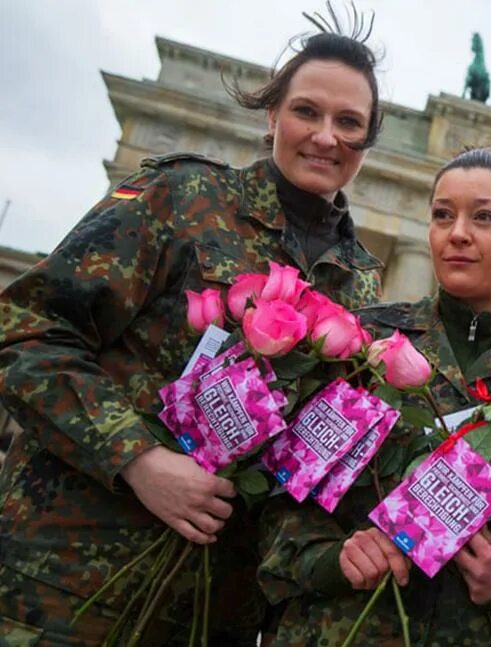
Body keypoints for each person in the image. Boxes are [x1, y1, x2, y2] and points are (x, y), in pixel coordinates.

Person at [0, 9, 385, 644]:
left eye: (349, 123)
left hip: (209, 610)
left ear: (368, 141)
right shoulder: (183, 197)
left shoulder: (359, 280)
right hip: (68, 581)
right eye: (306, 111)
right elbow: (27, 328)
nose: (325, 136)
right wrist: (136, 458)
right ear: (271, 117)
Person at [257, 148, 491, 646]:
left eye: (483, 217)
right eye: (442, 215)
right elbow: (283, 501)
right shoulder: (361, 344)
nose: (457, 232)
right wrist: (334, 559)